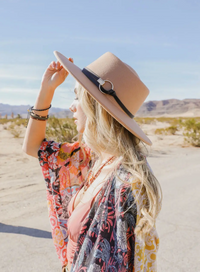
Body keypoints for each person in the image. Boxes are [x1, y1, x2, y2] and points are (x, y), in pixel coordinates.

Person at [23, 51, 162, 272]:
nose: (71, 106)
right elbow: (34, 148)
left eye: (78, 97)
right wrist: (46, 89)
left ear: (97, 108)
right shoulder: (93, 157)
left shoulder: (127, 183)